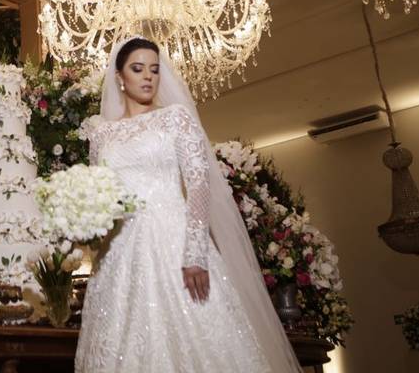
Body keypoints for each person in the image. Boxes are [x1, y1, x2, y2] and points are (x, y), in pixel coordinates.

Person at [75, 37, 302, 373]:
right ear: (120, 77)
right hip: (119, 250)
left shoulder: (176, 118)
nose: (148, 76)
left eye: (153, 69)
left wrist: (195, 251)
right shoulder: (101, 133)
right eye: (137, 69)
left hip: (174, 239)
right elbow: (99, 191)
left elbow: (198, 183)